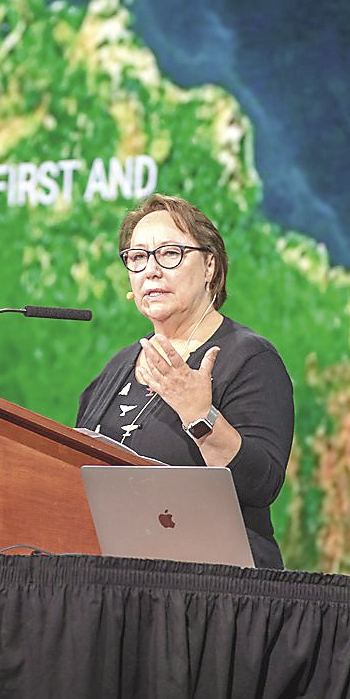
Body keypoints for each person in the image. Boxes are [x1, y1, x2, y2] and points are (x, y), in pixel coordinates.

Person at [76, 193, 294, 569]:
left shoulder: (250, 359)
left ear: (209, 266)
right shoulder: (116, 368)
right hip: (120, 584)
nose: (151, 270)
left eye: (170, 254)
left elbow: (261, 484)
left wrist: (200, 416)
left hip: (216, 590)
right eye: (138, 256)